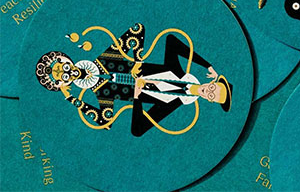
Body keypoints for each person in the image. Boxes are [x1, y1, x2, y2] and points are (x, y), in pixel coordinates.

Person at [34, 24, 231, 137]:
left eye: (212, 96)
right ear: (211, 83)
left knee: (106, 118)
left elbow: (135, 128)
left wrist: (137, 98)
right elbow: (147, 32)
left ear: (210, 101)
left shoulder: (173, 104)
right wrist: (207, 65)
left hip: (110, 93)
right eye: (213, 88)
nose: (209, 92)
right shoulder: (108, 57)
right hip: (112, 65)